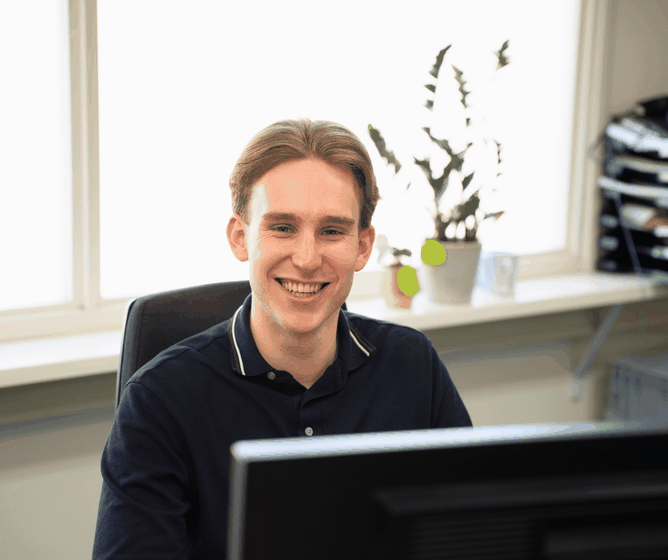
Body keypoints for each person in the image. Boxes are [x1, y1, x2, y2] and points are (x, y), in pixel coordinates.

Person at [92, 118, 472, 559]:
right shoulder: (159, 400)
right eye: (283, 227)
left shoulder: (413, 365)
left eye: (332, 231)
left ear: (362, 247)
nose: (307, 260)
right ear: (241, 237)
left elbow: (473, 534)